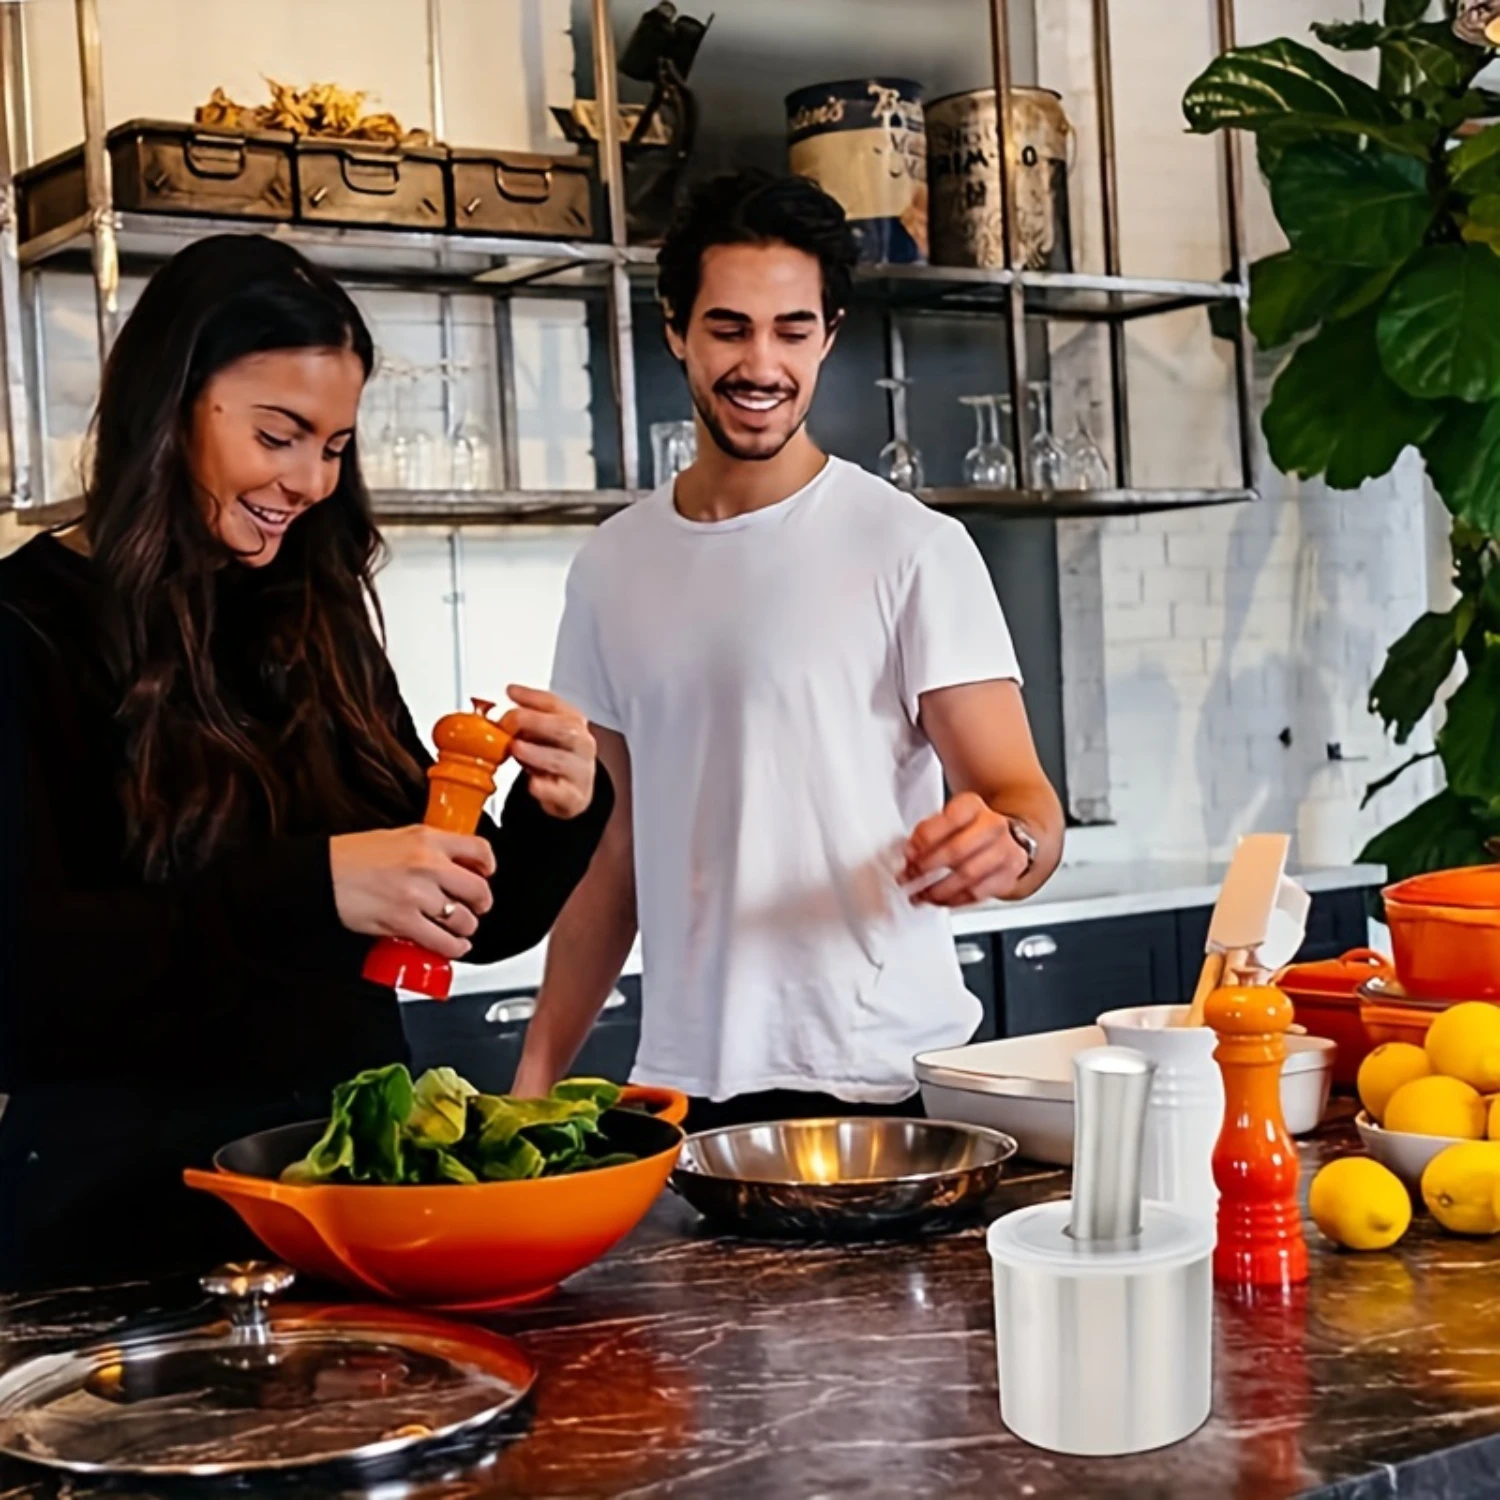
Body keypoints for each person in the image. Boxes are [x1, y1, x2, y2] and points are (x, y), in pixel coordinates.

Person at [0, 235, 612, 1286]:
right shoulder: (24, 630)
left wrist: (557, 814)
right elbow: (24, 976)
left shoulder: (315, 615)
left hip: (345, 1208)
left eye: (333, 446)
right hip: (116, 1235)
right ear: (169, 403)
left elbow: (464, 926)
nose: (309, 482)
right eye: (279, 436)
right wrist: (316, 886)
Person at [514, 171, 1064, 1132]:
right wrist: (533, 1081)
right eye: (728, 328)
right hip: (685, 1090)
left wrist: (1006, 845)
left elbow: (1025, 805)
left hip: (882, 1083)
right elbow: (610, 856)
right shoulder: (612, 565)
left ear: (829, 334)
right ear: (676, 327)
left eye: (791, 330)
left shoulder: (911, 548)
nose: (760, 363)